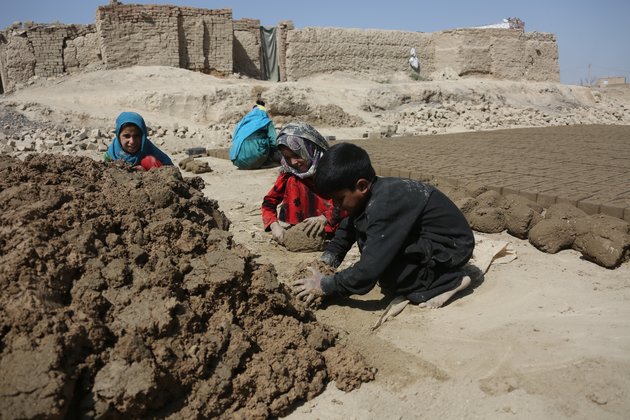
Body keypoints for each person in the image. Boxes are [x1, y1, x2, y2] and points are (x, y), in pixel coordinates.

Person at [292, 143, 475, 309]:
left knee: (395, 276)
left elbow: (369, 269)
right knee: (372, 245)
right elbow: (346, 230)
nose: (336, 205)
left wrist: (327, 285)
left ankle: (450, 281)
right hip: (425, 235)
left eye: (339, 199)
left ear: (361, 185)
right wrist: (327, 260)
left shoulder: (385, 204)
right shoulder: (366, 195)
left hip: (452, 245)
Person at [262, 121, 345, 244]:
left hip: (335, 224)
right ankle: (301, 226)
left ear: (310, 149)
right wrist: (274, 225)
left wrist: (325, 218)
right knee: (293, 180)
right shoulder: (289, 172)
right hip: (301, 229)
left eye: (297, 154)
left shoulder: (333, 169)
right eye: (287, 157)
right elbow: (269, 202)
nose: (294, 162)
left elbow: (348, 201)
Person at [104, 111, 173, 170]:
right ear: (118, 136)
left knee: (148, 161)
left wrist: (145, 173)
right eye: (127, 136)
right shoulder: (111, 155)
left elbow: (169, 171)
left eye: (136, 136)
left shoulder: (149, 151)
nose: (132, 141)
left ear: (143, 136)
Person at [230, 100, 278, 170]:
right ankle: (265, 162)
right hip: (256, 159)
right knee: (268, 139)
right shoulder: (266, 121)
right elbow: (274, 142)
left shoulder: (242, 123)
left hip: (238, 162)